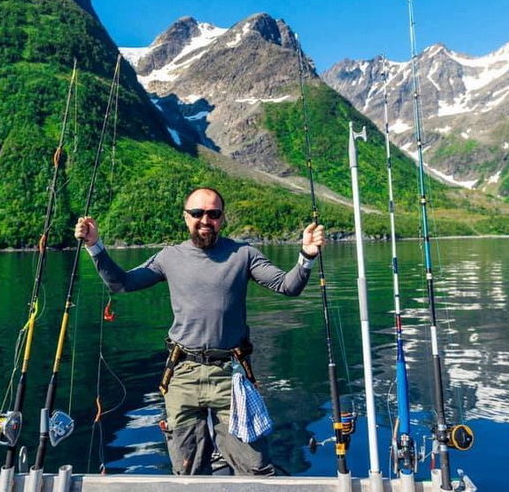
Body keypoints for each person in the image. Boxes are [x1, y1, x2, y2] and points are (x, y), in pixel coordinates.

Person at [75, 186, 324, 476]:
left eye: (213, 214)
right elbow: (122, 283)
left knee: (256, 468)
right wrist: (95, 246)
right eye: (198, 213)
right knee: (187, 471)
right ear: (185, 217)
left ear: (222, 219)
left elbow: (288, 286)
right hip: (182, 375)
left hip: (230, 376)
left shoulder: (244, 254)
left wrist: (306, 255)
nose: (205, 220)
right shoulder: (169, 257)